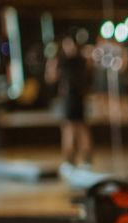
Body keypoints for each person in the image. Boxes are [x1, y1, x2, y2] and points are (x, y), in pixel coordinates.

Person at [45, 33, 93, 169]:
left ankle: (86, 158)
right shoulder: (61, 61)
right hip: (68, 98)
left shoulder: (80, 60)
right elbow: (51, 78)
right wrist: (51, 65)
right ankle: (70, 159)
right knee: (69, 128)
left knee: (80, 127)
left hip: (78, 97)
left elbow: (88, 75)